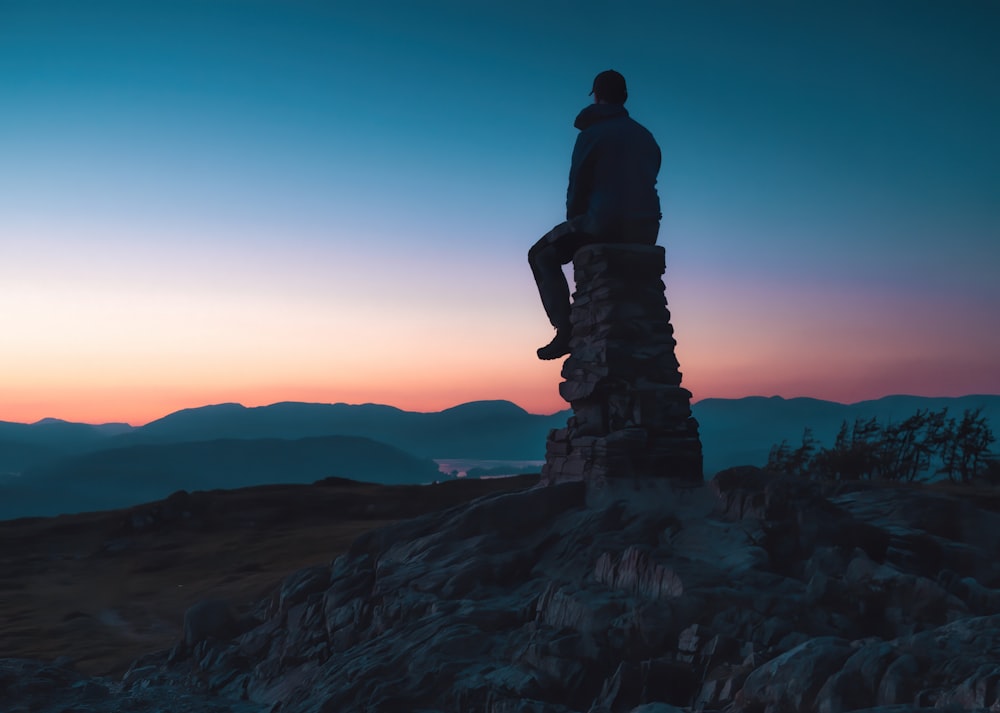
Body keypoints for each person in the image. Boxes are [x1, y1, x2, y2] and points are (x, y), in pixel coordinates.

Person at [529, 69, 662, 360]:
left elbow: (578, 187)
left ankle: (564, 331)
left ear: (597, 96)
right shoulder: (646, 137)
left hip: (604, 224)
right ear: (624, 97)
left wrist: (574, 222)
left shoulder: (591, 134)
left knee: (539, 255)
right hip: (647, 228)